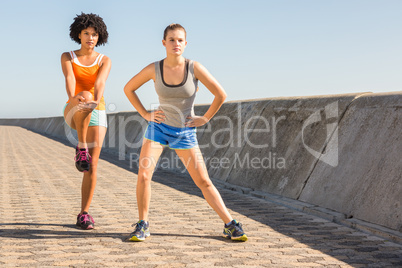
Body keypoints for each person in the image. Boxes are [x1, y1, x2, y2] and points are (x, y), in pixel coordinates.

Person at [124, 23, 247, 242]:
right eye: (171, 39)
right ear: (164, 43)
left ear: (186, 43)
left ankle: (230, 224)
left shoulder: (194, 67)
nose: (176, 44)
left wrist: (204, 118)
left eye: (180, 40)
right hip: (158, 129)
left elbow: (220, 94)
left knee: (204, 182)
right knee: (144, 175)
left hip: (184, 132)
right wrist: (145, 114)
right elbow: (129, 88)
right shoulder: (154, 68)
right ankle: (143, 224)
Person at [61, 13, 111, 230]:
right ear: (78, 35)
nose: (90, 38)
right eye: (86, 34)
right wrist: (77, 100)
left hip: (96, 108)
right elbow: (70, 81)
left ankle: (84, 214)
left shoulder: (104, 60)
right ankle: (81, 146)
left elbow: (100, 84)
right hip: (73, 107)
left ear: (99, 37)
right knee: (85, 96)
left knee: (91, 166)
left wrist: (95, 102)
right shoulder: (68, 56)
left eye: (94, 34)